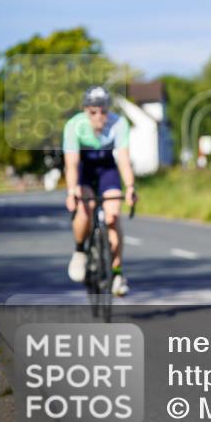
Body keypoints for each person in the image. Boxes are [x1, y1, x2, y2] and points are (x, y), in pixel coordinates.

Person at [63, 86, 137, 296]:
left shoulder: (119, 123)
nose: (99, 116)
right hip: (84, 168)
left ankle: (117, 273)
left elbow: (123, 159)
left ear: (109, 110)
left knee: (113, 216)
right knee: (85, 209)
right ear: (85, 110)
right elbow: (72, 163)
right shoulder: (74, 126)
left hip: (107, 167)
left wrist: (130, 187)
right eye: (93, 112)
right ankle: (79, 251)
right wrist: (72, 190)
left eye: (103, 111)